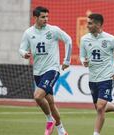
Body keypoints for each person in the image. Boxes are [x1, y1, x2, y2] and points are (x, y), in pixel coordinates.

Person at [19, 6, 72, 135]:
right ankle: (61, 130)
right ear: (35, 18)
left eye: (47, 16)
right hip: (38, 72)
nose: (46, 19)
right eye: (43, 17)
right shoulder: (28, 33)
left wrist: (67, 60)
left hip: (52, 69)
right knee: (51, 103)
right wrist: (24, 53)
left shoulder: (53, 30)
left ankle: (49, 120)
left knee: (37, 96)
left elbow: (68, 40)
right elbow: (21, 48)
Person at [80, 13, 114, 135]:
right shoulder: (84, 39)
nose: (87, 25)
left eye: (90, 23)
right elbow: (82, 55)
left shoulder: (111, 39)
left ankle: (96, 133)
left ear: (98, 24)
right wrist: (83, 61)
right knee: (99, 107)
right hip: (92, 79)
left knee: (101, 107)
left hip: (107, 78)